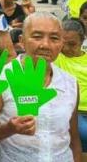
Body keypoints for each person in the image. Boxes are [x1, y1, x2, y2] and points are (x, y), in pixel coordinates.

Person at [0, 13, 82, 161]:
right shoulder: (1, 79)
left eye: (54, 38)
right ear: (22, 41)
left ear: (61, 43)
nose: (45, 45)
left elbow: (73, 138)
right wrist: (9, 129)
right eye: (37, 36)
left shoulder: (69, 83)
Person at [53, 19, 87, 158]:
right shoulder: (56, 58)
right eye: (63, 44)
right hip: (74, 112)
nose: (66, 49)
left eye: (72, 44)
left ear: (82, 40)